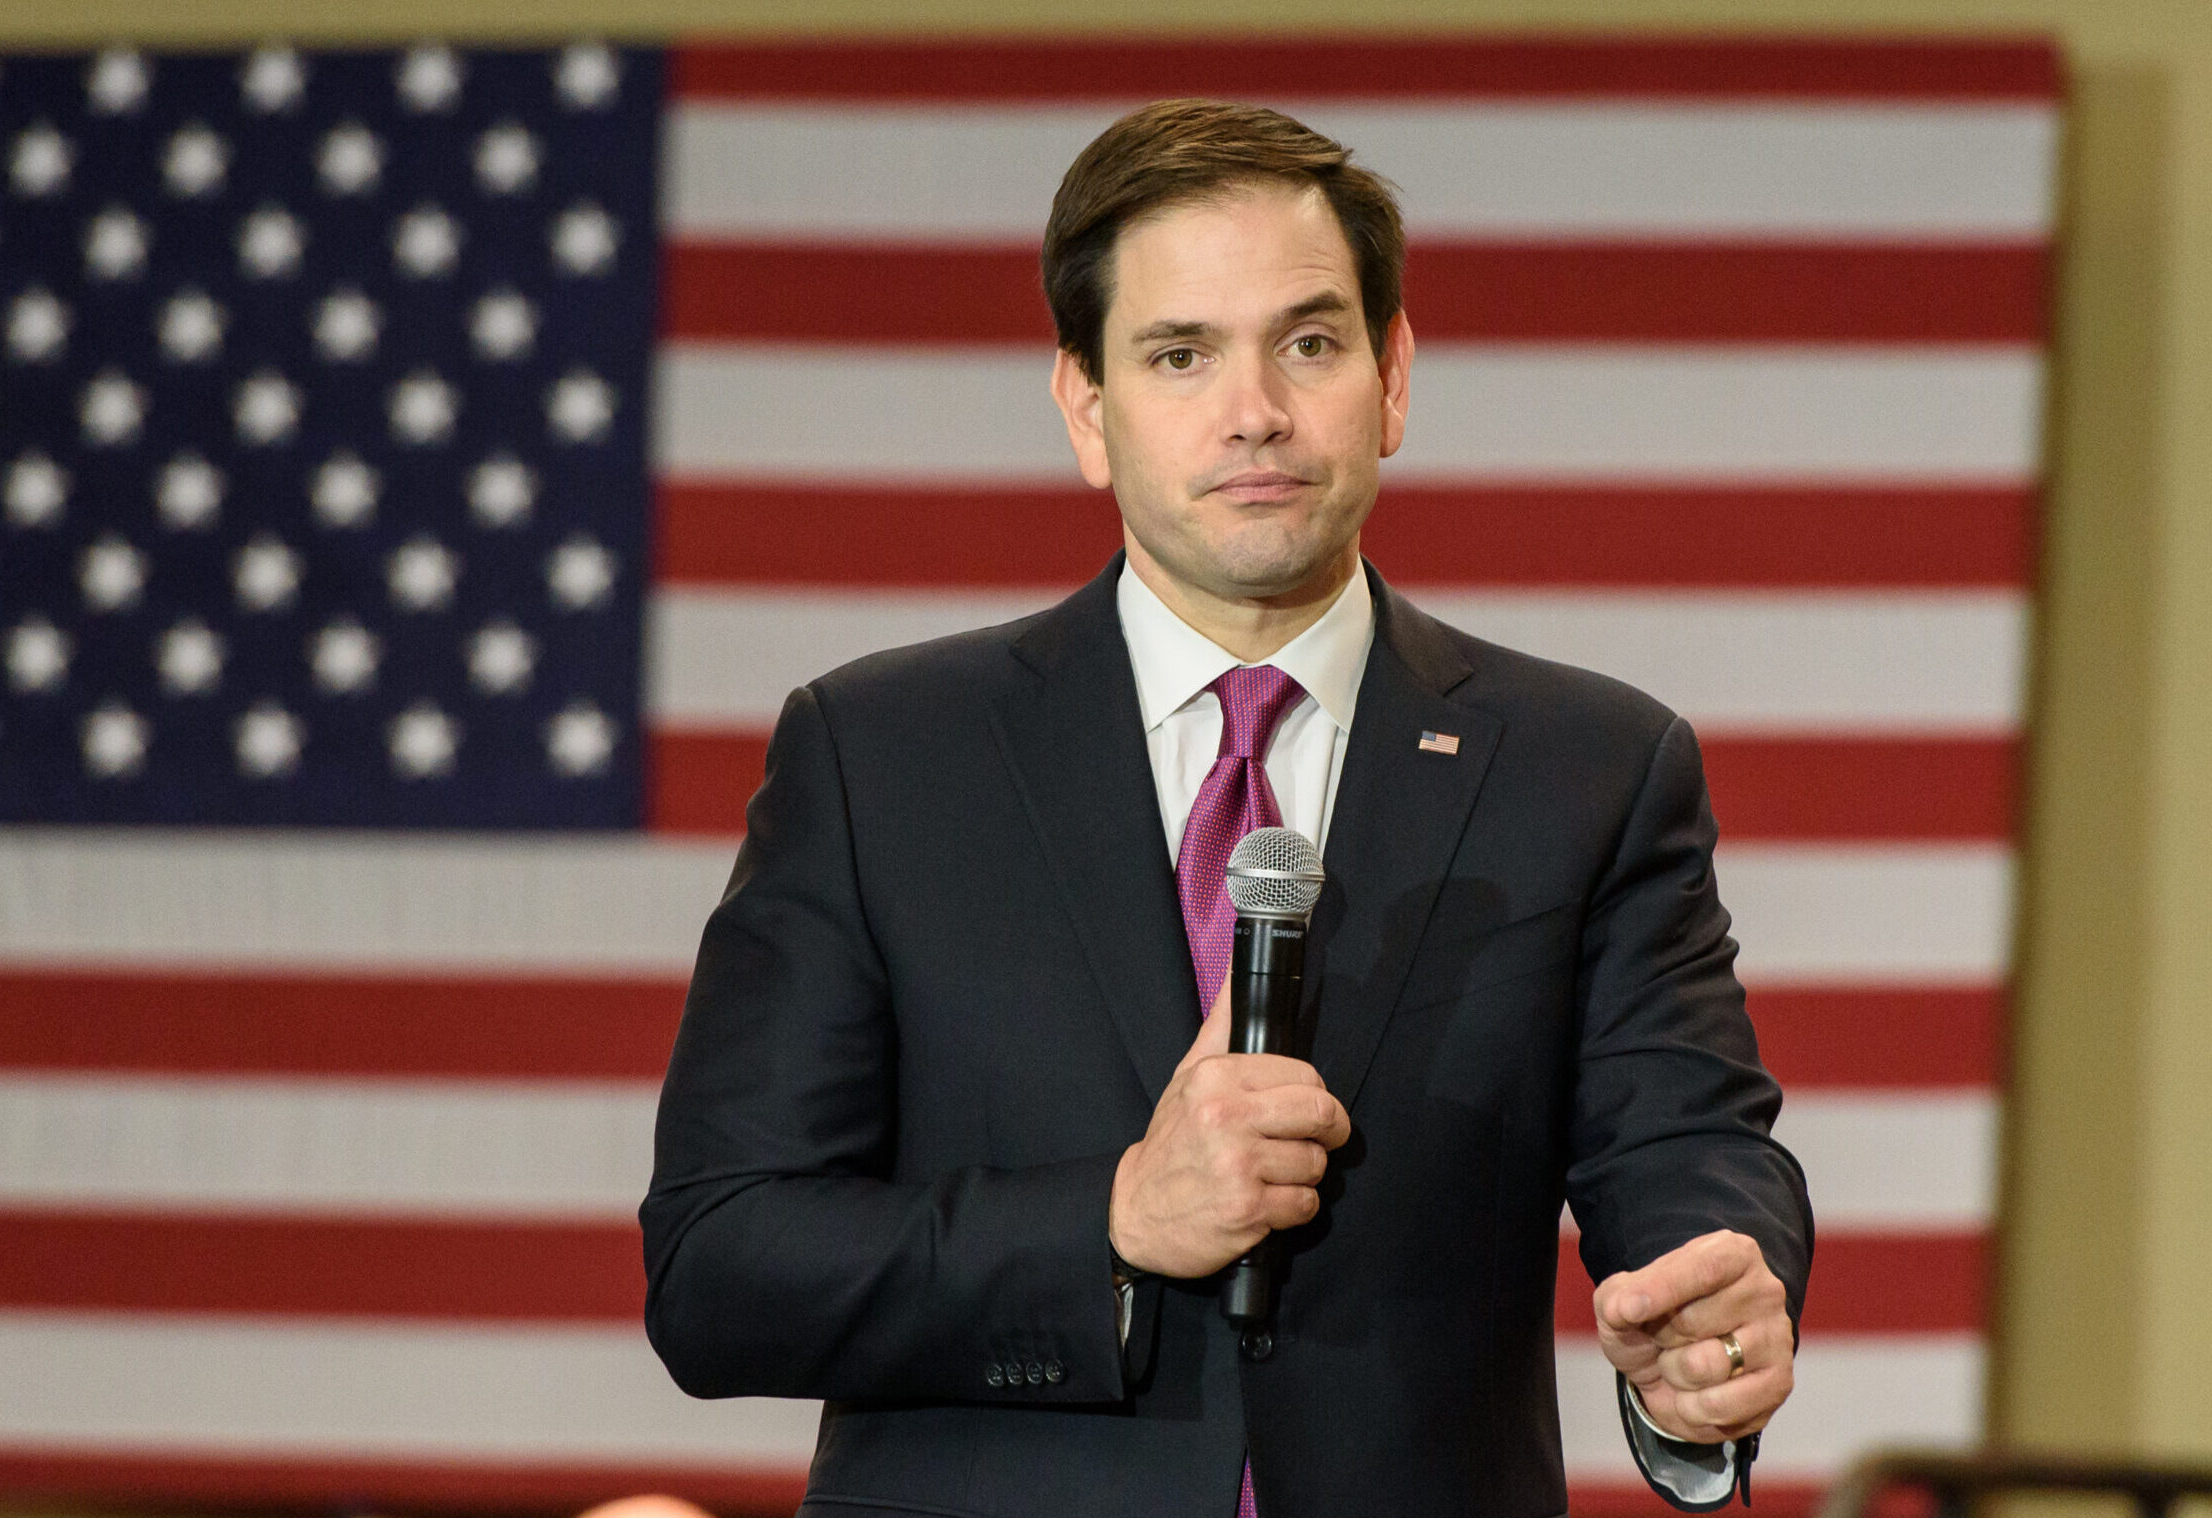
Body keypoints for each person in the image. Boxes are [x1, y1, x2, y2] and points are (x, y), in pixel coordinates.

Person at [641, 99, 1812, 1518]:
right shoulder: (879, 758)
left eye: (1310, 343)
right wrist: (1113, 1219)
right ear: (1087, 408)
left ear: (1392, 377)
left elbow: (1684, 1147)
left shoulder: (1592, 766)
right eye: (1180, 353)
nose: (1254, 408)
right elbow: (720, 1261)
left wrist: (1704, 1315)